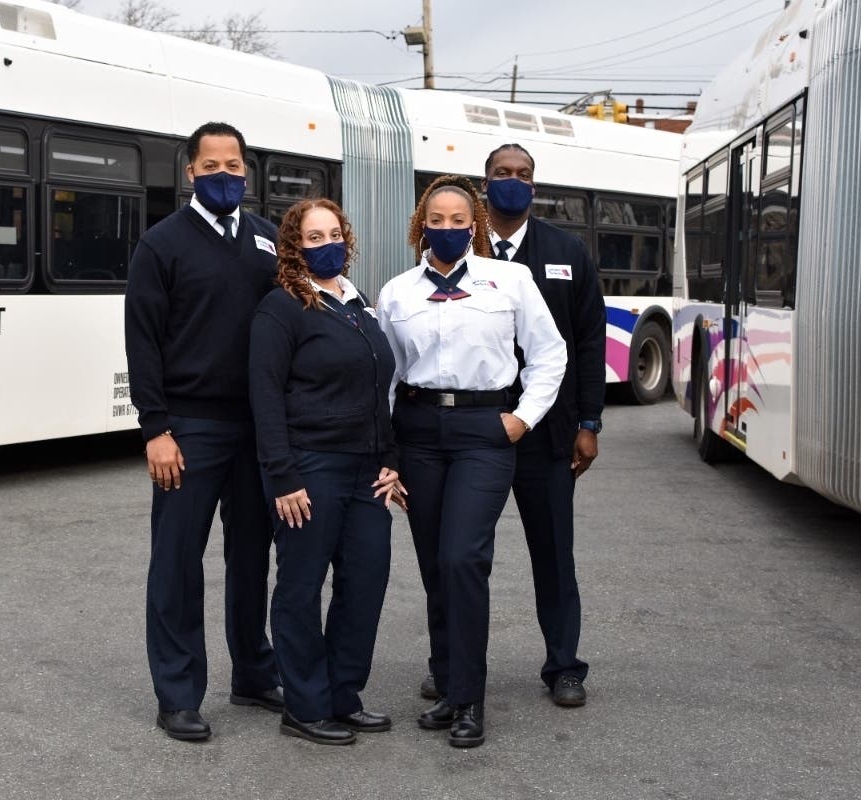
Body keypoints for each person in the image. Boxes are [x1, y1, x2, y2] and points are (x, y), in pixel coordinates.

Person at [376, 175, 568, 748]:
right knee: (435, 564)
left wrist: (522, 418)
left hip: (485, 431)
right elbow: (383, 375)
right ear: (421, 224)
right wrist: (386, 451)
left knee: (463, 558)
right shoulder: (397, 292)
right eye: (438, 218)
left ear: (475, 224)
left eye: (460, 220)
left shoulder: (510, 279)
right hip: (417, 433)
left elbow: (548, 352)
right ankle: (448, 680)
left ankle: (469, 700)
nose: (449, 228)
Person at [125, 121, 282, 742]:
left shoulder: (269, 241)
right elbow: (143, 340)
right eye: (211, 165)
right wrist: (155, 428)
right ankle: (179, 693)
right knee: (176, 564)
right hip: (188, 429)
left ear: (247, 171)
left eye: (234, 165)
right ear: (190, 171)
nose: (224, 174)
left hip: (259, 429)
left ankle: (254, 671)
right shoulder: (161, 244)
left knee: (253, 556)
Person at [249, 199, 403, 746]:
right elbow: (265, 398)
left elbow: (380, 391)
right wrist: (283, 475)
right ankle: (305, 704)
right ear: (295, 247)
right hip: (309, 468)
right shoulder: (281, 309)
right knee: (301, 587)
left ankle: (344, 695)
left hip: (368, 473)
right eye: (314, 237)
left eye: (334, 234)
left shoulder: (359, 307)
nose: (327, 244)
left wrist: (392, 460)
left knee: (365, 582)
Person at [483, 142, 606, 707]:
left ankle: (564, 666)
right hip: (475, 433)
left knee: (554, 554)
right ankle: (451, 663)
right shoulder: (454, 242)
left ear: (534, 184)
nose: (513, 181)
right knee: (460, 554)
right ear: (485, 182)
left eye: (523, 174)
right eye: (502, 173)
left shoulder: (566, 250)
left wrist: (589, 421)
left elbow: (587, 338)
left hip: (549, 433)